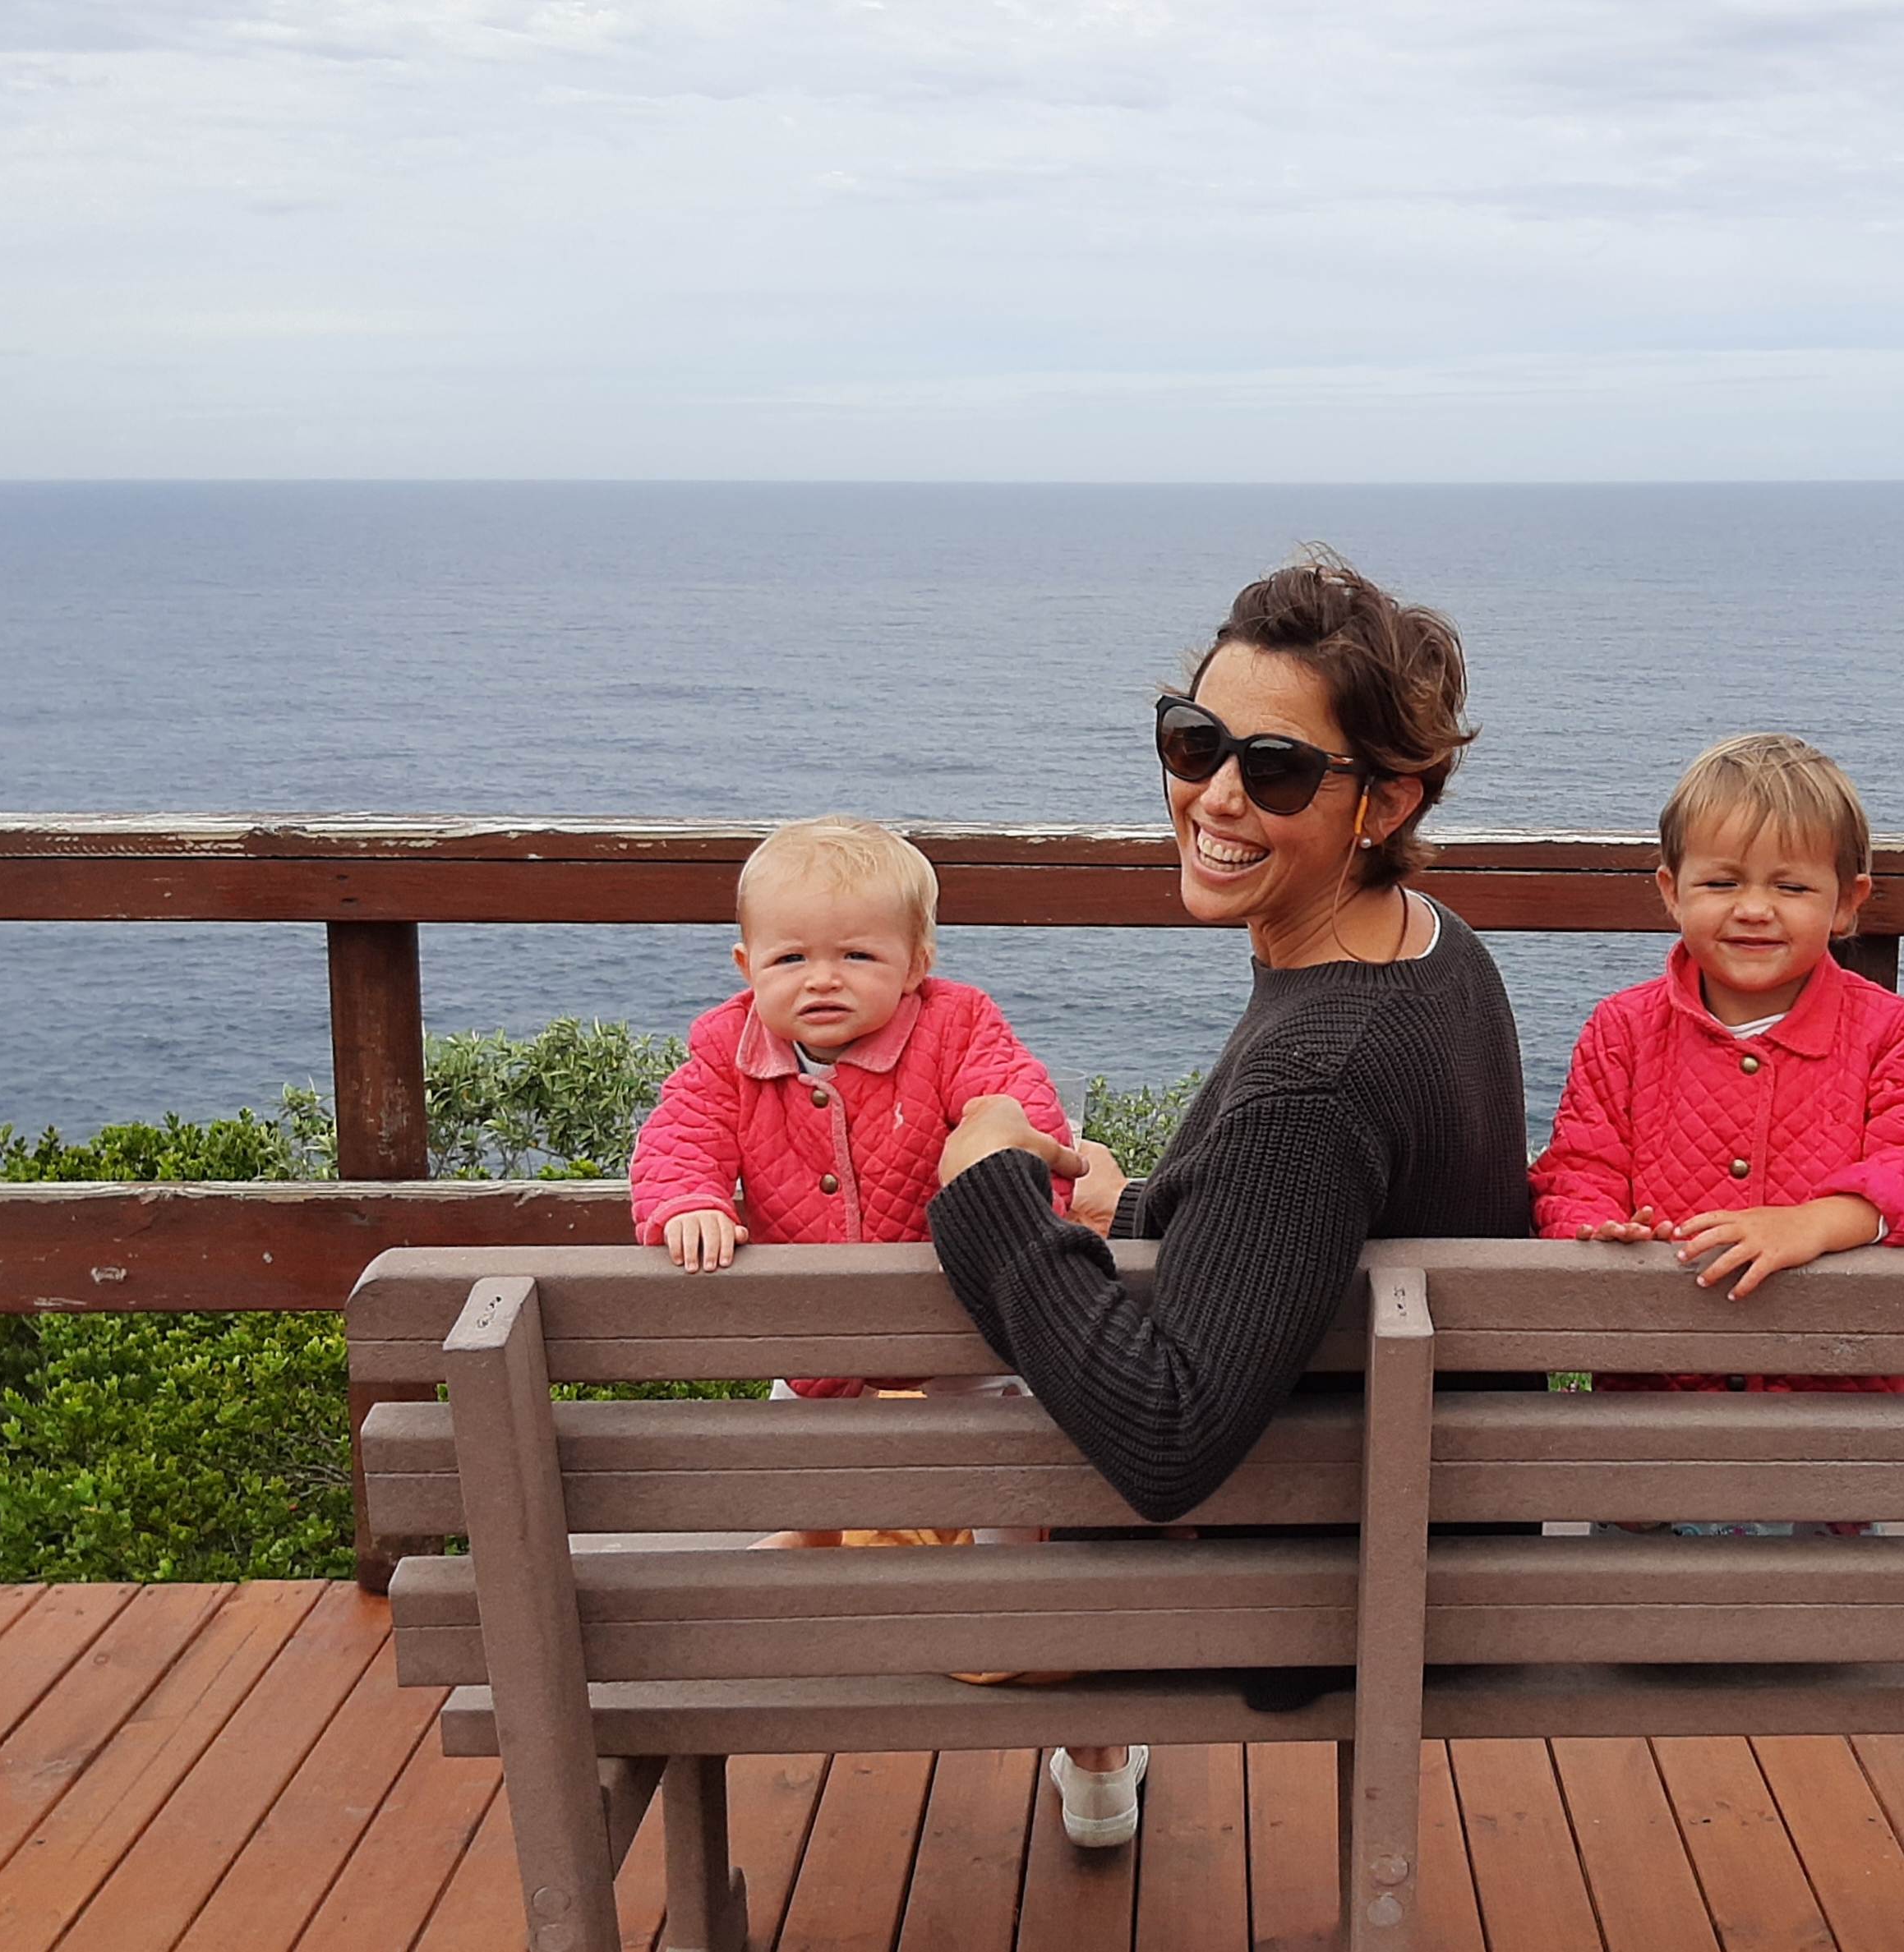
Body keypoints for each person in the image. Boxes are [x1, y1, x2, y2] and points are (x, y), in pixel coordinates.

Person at [925, 551, 1531, 1848]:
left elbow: (1166, 1439)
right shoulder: (1434, 947)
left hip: (1318, 1594)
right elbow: (1302, 1227)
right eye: (1193, 742)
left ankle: (1087, 1737)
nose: (1214, 794)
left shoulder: (1317, 1077)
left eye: (1277, 770)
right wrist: (1144, 1209)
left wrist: (988, 1198)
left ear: (1384, 801)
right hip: (1422, 1528)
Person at [628, 815, 1113, 1541]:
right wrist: (688, 1200)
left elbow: (1016, 1107)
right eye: (790, 957)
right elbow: (680, 1134)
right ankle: (813, 1531)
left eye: (857, 954)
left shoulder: (956, 1026)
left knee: (988, 1414)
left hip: (952, 1289)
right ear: (747, 966)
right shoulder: (729, 1049)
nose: (822, 977)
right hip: (816, 1304)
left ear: (916, 964)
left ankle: (1006, 1547)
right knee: (805, 1426)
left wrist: (1014, 1210)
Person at [1529, 734, 1904, 1418]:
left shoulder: (1886, 1031)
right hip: (1653, 1406)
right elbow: (1575, 1168)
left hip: (1832, 1408)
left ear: (1846, 903)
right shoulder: (1623, 1029)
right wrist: (1596, 1231)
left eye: (1791, 886)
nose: (1754, 908)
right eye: (1722, 882)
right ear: (1672, 891)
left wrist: (1817, 1224)